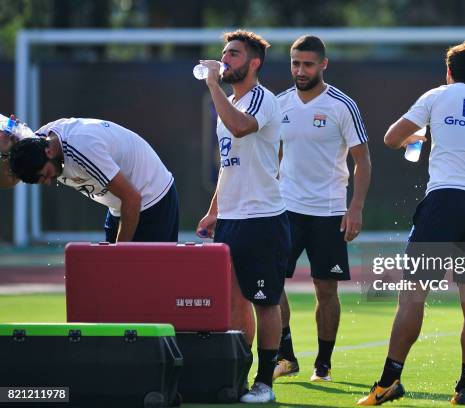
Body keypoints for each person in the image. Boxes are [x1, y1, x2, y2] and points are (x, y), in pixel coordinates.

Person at [358, 40, 465, 406]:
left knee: (411, 298)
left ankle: (388, 382)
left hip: (442, 204)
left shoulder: (437, 96)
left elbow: (391, 139)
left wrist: (416, 136)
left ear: (449, 71)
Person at [195, 30, 290, 403]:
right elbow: (228, 165)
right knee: (234, 302)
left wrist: (213, 84)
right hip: (233, 219)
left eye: (233, 54)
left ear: (254, 63)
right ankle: (237, 374)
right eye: (223, 54)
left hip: (263, 218)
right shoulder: (228, 103)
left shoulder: (262, 100)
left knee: (265, 301)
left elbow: (239, 126)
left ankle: (265, 383)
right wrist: (215, 210)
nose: (224, 60)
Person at [274, 35, 371, 383]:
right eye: (296, 63)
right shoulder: (280, 103)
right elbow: (278, 153)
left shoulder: (341, 105)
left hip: (329, 211)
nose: (301, 71)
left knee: (325, 289)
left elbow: (363, 160)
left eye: (308, 64)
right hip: (284, 209)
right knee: (270, 282)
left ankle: (323, 364)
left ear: (323, 65)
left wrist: (355, 207)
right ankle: (286, 355)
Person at [2, 118, 178, 242]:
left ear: (48, 153)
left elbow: (132, 198)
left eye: (45, 175)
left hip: (151, 197)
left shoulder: (83, 148)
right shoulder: (35, 146)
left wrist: (121, 254)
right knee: (116, 285)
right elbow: (9, 181)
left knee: (147, 283)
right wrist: (6, 152)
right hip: (120, 205)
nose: (48, 182)